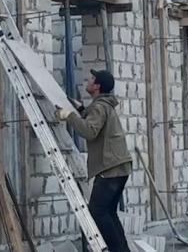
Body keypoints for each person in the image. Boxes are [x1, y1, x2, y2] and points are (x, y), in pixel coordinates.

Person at [56, 69, 132, 252]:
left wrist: (69, 115)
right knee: (108, 212)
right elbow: (94, 119)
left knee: (97, 212)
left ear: (97, 86)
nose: (88, 81)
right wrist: (81, 110)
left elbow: (89, 131)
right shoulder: (103, 105)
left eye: (91, 79)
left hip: (110, 169)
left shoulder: (99, 107)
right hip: (119, 168)